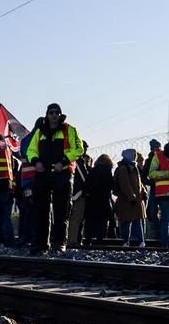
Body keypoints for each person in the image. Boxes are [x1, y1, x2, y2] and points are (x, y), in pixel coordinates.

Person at [26, 103, 83, 255]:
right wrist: (36, 162)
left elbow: (79, 149)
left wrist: (64, 162)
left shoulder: (69, 130)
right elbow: (30, 150)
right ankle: (41, 244)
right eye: (51, 112)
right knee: (41, 210)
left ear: (60, 114)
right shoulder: (40, 131)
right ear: (47, 114)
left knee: (62, 210)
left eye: (57, 112)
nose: (54, 115)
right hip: (42, 173)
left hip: (62, 174)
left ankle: (59, 243)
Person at [114, 148, 147, 247]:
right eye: (134, 155)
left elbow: (139, 183)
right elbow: (125, 185)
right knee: (128, 222)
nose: (136, 156)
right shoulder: (124, 168)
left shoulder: (132, 167)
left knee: (135, 221)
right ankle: (127, 241)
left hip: (134, 200)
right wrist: (132, 197)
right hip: (129, 201)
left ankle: (138, 241)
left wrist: (144, 192)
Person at [84, 154, 116, 242]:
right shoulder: (107, 171)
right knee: (102, 221)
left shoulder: (92, 170)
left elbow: (87, 184)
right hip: (103, 199)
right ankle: (100, 240)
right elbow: (111, 184)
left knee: (90, 220)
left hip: (91, 199)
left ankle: (88, 239)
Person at [69, 151, 91, 246]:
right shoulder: (78, 160)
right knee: (76, 217)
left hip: (70, 191)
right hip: (78, 193)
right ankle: (72, 240)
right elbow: (84, 178)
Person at [143, 138, 161, 239]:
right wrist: (153, 182)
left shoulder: (163, 159)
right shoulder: (149, 161)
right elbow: (144, 177)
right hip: (155, 190)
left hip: (163, 190)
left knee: (159, 214)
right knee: (153, 213)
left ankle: (160, 233)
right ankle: (157, 234)